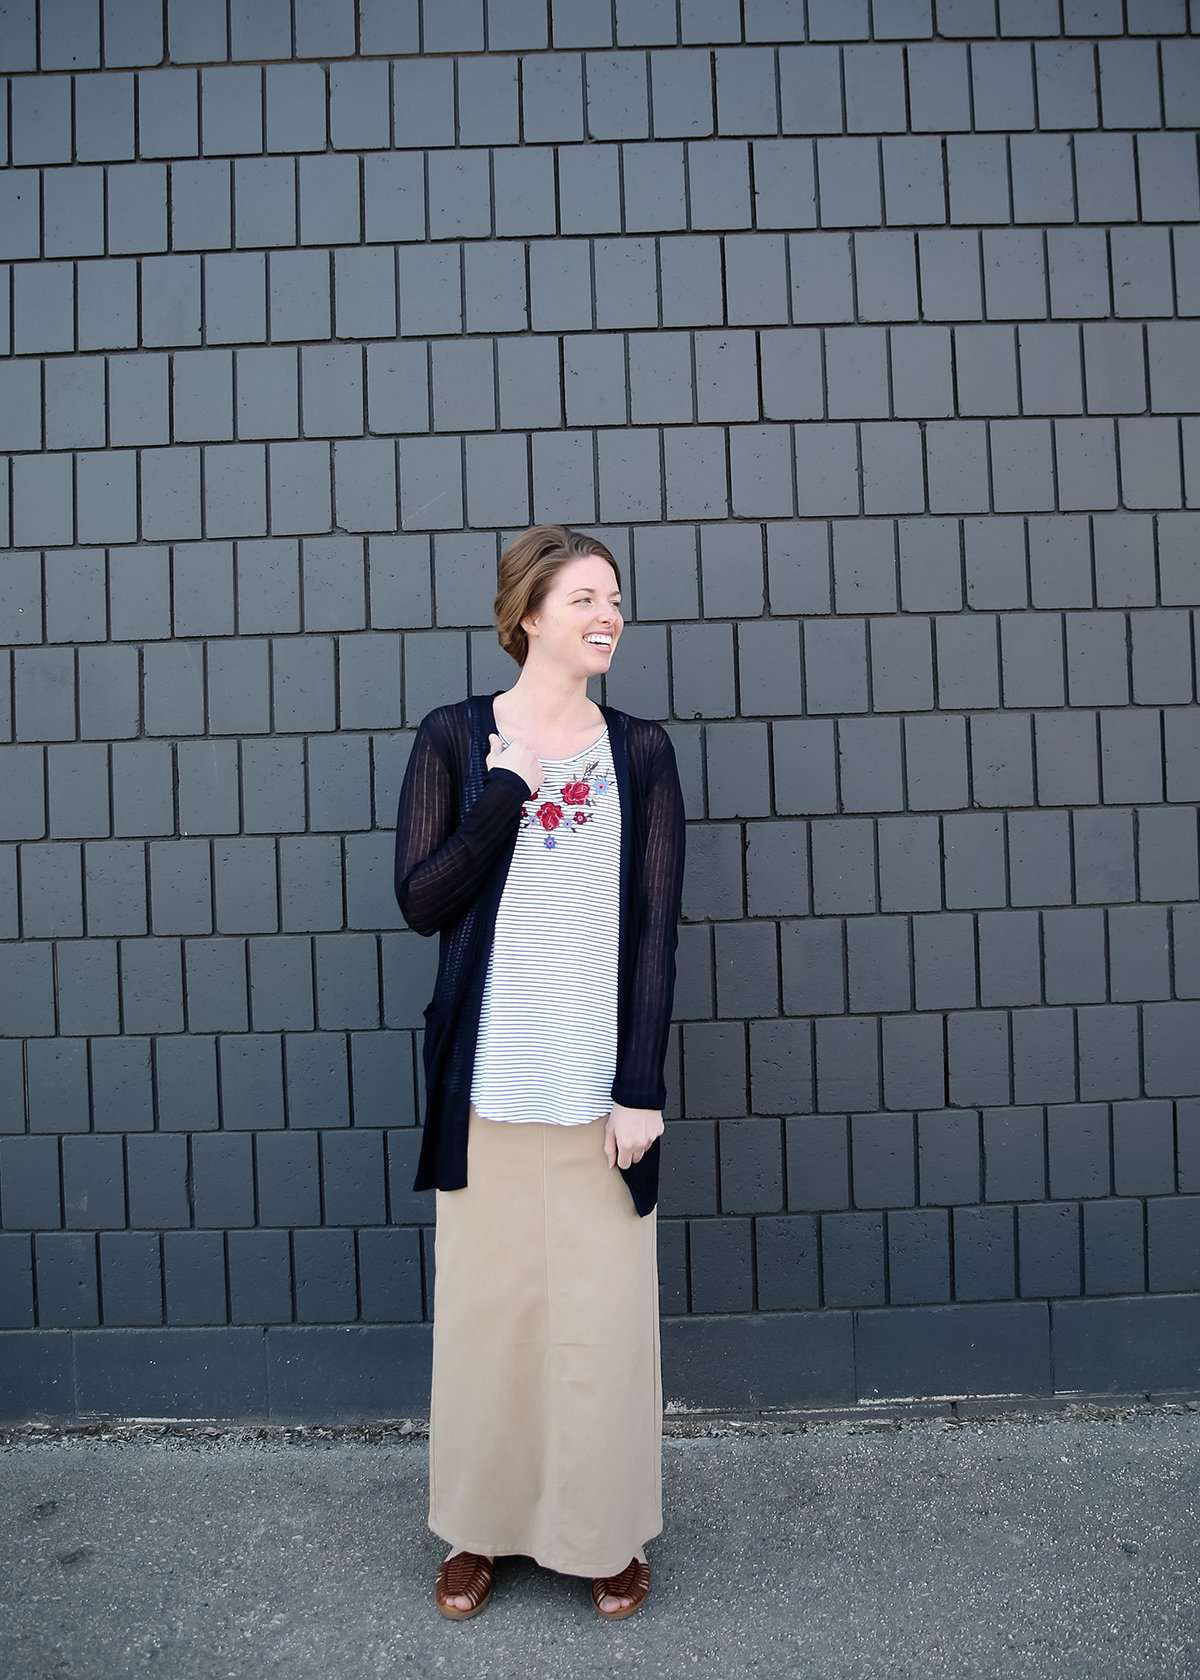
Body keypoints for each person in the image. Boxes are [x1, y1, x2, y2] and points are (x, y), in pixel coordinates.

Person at [392, 524, 686, 1621]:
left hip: (596, 1094)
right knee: (491, 1320)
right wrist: (506, 792)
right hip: (487, 1089)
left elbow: (656, 931)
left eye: (616, 600)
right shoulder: (457, 739)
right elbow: (423, 902)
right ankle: (480, 1532)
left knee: (605, 1325)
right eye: (586, 600)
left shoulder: (641, 752)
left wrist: (641, 1088)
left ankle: (603, 1533)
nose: (609, 615)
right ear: (528, 615)